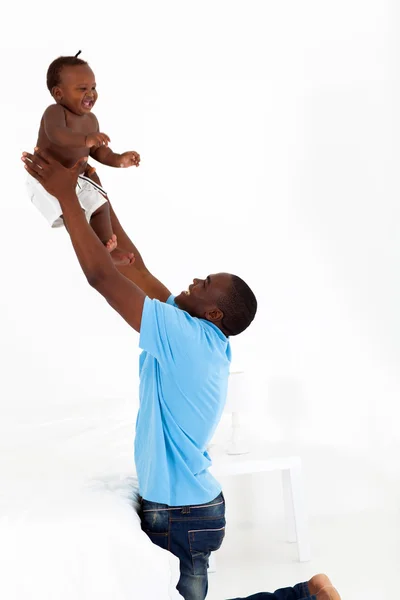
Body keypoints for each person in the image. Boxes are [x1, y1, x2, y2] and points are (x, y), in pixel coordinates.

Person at [21, 150, 341, 600]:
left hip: (181, 514)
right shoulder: (199, 332)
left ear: (213, 311)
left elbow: (102, 277)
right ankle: (307, 595)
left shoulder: (186, 338)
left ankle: (305, 597)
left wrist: (64, 200)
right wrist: (95, 197)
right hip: (189, 510)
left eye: (204, 282)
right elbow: (131, 265)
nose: (192, 280)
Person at [27, 51, 140, 265]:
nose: (90, 93)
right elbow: (58, 135)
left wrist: (118, 160)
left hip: (76, 180)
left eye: (93, 87)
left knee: (100, 206)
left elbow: (98, 151)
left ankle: (106, 250)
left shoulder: (91, 120)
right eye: (82, 89)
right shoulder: (55, 113)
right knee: (74, 214)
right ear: (59, 93)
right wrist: (86, 139)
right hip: (46, 178)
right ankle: (92, 250)